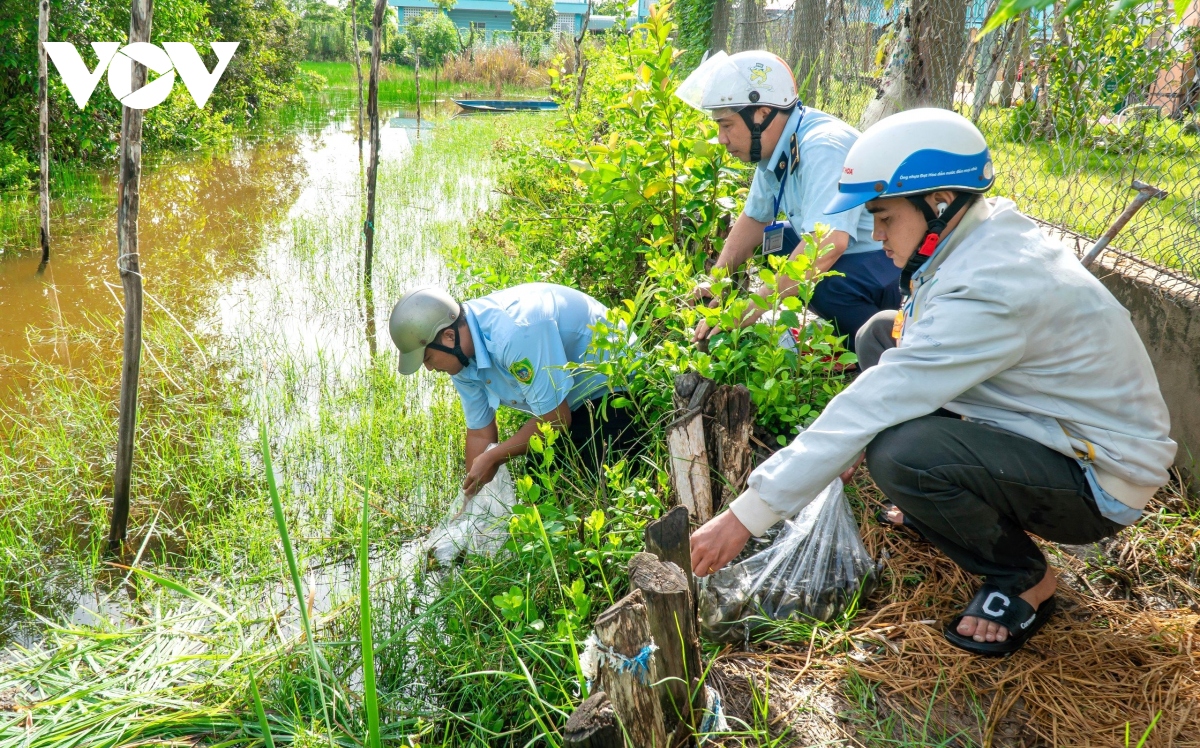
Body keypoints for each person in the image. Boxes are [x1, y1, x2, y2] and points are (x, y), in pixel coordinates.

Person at [688, 108, 1176, 656]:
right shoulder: (977, 236)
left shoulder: (990, 287)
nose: (875, 234)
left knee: (901, 455)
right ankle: (945, 504)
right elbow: (902, 357)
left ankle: (1023, 578)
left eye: (885, 217)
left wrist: (745, 516)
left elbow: (878, 400)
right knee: (878, 334)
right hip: (1051, 431)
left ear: (938, 203)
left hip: (1099, 478)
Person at [674, 50, 901, 351]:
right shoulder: (776, 146)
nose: (721, 139)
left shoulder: (822, 147)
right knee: (776, 239)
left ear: (762, 114)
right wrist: (716, 283)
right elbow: (755, 219)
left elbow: (827, 245)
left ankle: (878, 345)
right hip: (859, 256)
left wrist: (748, 311)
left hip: (889, 263)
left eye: (727, 126)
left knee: (817, 281)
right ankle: (829, 326)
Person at [388, 283, 641, 497]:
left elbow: (556, 419)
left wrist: (495, 457)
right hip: (569, 400)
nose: (430, 369)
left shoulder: (514, 333)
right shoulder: (460, 360)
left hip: (616, 385)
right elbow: (480, 434)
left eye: (428, 358)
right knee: (540, 480)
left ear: (448, 337)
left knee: (583, 484)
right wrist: (468, 505)